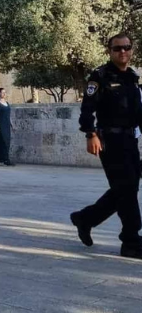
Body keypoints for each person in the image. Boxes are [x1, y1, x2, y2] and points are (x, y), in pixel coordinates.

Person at [71, 33, 142, 259]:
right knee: (127, 189)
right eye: (117, 48)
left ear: (132, 50)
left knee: (126, 188)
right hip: (109, 141)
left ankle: (85, 218)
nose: (122, 52)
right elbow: (87, 109)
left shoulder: (132, 77)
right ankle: (131, 241)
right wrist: (90, 134)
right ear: (109, 51)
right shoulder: (100, 76)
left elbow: (137, 112)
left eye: (126, 47)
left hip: (130, 140)